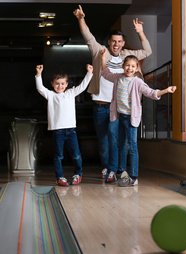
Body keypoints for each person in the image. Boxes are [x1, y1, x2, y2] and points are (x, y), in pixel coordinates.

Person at [73, 5, 152, 183]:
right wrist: (80, 18)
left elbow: (147, 51)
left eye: (120, 41)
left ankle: (115, 170)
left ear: (123, 43)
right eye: (114, 41)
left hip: (119, 107)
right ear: (109, 42)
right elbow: (88, 36)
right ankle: (108, 167)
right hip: (101, 105)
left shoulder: (127, 55)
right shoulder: (99, 51)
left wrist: (140, 32)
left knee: (117, 141)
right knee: (103, 142)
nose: (116, 44)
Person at [99, 50, 176, 186]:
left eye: (133, 66)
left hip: (131, 119)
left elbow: (151, 93)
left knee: (132, 146)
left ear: (136, 69)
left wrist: (166, 90)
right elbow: (106, 73)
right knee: (121, 145)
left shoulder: (137, 82)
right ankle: (121, 172)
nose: (130, 68)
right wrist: (103, 58)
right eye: (127, 65)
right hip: (120, 116)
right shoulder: (117, 78)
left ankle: (133, 177)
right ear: (123, 66)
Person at [35, 64, 93, 186]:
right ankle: (60, 177)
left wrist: (89, 73)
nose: (60, 86)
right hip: (58, 131)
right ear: (52, 84)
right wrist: (38, 74)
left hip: (71, 130)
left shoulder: (70, 93)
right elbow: (40, 88)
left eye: (62, 83)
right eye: (57, 83)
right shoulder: (50, 95)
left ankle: (78, 174)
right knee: (58, 156)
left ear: (67, 84)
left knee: (76, 155)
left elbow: (82, 86)